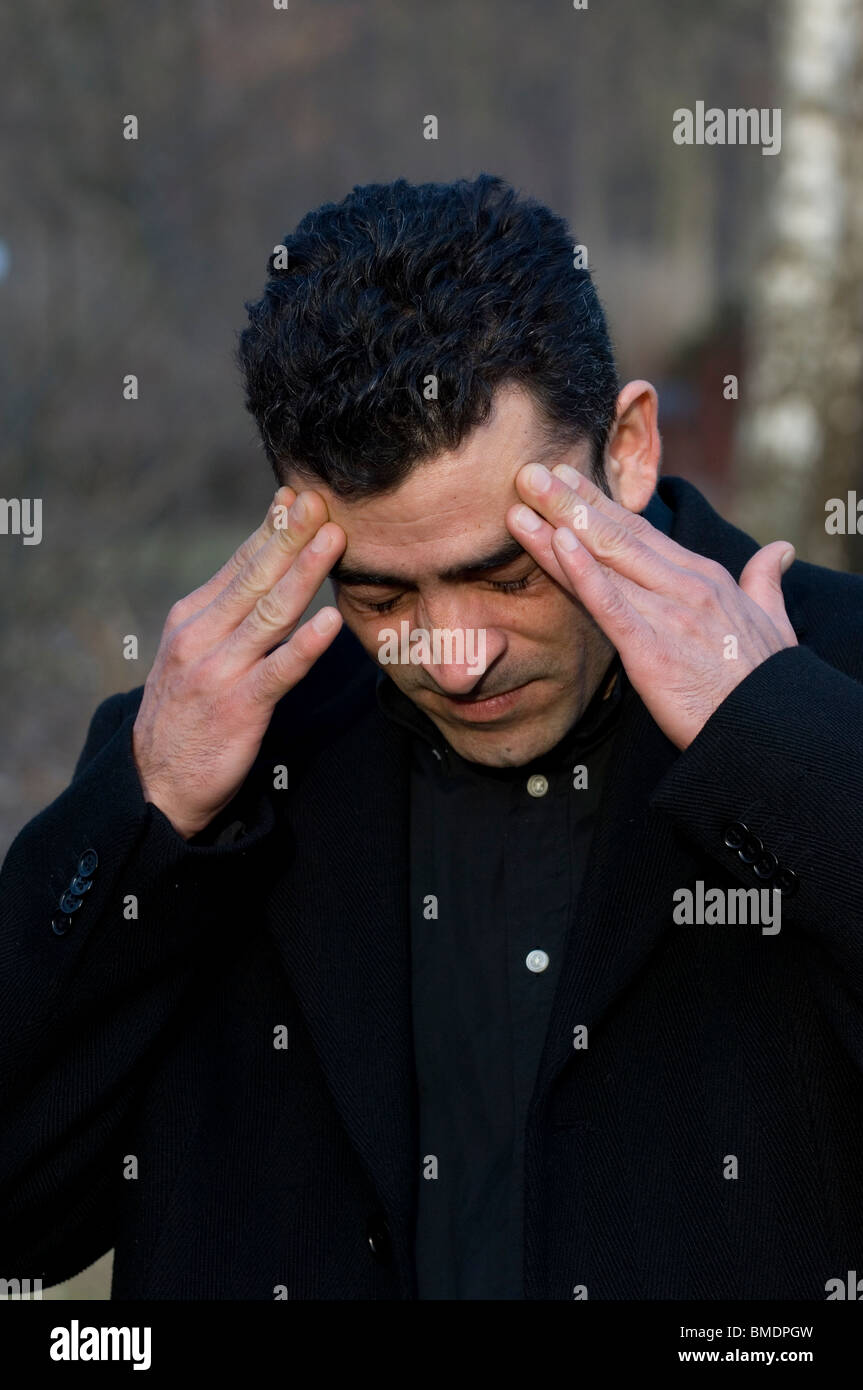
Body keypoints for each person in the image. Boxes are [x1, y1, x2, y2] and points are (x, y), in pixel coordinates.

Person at [2, 174, 863, 1301]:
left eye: (505, 572)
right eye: (377, 595)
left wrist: (779, 750)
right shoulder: (213, 759)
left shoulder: (830, 684)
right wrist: (146, 812)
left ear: (631, 446)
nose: (453, 658)